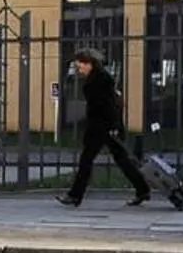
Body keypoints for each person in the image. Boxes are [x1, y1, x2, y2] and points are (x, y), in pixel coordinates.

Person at [58, 47, 152, 207]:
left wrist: (114, 125)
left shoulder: (100, 79)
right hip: (104, 126)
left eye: (80, 65)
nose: (79, 69)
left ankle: (75, 195)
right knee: (122, 159)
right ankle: (143, 190)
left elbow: (110, 105)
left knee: (88, 160)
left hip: (104, 126)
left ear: (89, 64)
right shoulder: (98, 78)